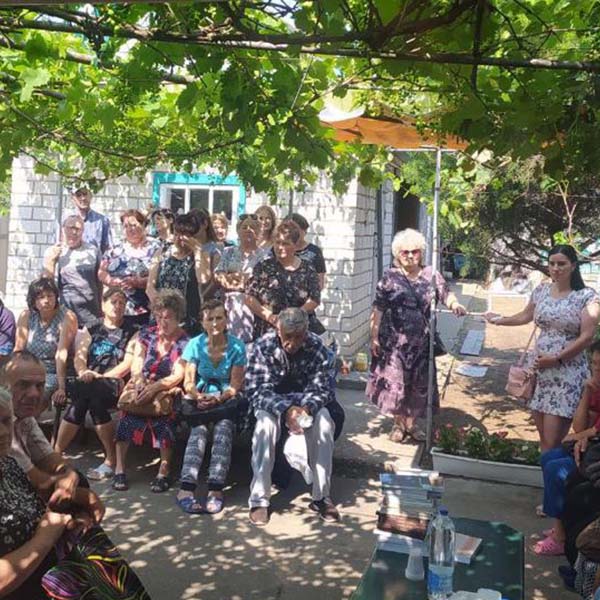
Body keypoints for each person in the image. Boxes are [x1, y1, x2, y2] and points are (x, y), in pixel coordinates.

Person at [0, 387, 149, 600]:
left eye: (6, 421)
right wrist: (46, 536)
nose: (3, 432)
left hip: (54, 572)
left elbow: (37, 494)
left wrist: (80, 500)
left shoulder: (8, 463)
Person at [485, 244, 600, 452]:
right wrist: (499, 320)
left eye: (562, 264)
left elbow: (587, 336)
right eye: (552, 263)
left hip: (566, 373)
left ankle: (555, 480)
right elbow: (525, 315)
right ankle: (548, 480)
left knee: (554, 439)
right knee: (544, 438)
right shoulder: (542, 291)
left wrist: (557, 359)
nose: (556, 268)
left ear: (573, 266)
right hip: (539, 371)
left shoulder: (586, 296)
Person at [366, 228, 466, 443]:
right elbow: (378, 308)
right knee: (396, 384)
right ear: (397, 254)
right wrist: (374, 336)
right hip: (394, 342)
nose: (410, 256)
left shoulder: (431, 276)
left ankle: (412, 424)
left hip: (422, 342)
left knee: (418, 385)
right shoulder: (389, 277)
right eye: (405, 252)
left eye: (415, 251)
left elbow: (446, 295)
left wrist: (455, 304)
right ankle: (398, 424)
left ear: (421, 253)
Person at [246, 308, 340, 526]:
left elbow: (323, 389)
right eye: (288, 336)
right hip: (272, 401)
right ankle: (259, 499)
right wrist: (287, 410)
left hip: (306, 402)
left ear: (306, 332)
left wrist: (305, 409)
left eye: (299, 337)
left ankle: (321, 496)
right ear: (279, 331)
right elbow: (256, 390)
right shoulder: (263, 347)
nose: (293, 343)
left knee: (325, 424)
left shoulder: (316, 346)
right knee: (264, 427)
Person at [54, 288, 138, 481]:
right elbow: (80, 356)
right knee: (89, 399)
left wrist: (101, 377)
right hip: (89, 382)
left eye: (122, 303)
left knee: (86, 396)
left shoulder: (132, 331)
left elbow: (127, 363)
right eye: (114, 302)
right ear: (103, 304)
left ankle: (56, 453)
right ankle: (109, 460)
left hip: (115, 382)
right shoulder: (91, 327)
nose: (118, 306)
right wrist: (84, 372)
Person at [113, 289, 189, 493]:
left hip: (166, 388)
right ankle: (119, 469)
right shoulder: (147, 334)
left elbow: (178, 374)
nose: (163, 322)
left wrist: (155, 387)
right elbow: (137, 361)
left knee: (165, 421)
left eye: (168, 318)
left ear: (178, 318)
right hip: (143, 383)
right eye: (159, 316)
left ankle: (163, 471)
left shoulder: (185, 341)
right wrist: (138, 380)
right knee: (126, 418)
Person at [176, 300, 246, 514]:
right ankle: (186, 489)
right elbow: (188, 381)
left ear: (226, 320)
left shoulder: (237, 346)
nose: (215, 323)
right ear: (203, 322)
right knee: (199, 430)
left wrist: (218, 399)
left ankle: (215, 489)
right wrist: (198, 396)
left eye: (219, 318)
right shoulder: (195, 344)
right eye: (210, 319)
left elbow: (235, 386)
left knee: (224, 428)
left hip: (225, 400)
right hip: (201, 396)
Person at [533, 341, 600, 555]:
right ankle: (559, 528)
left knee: (558, 469)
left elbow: (591, 431)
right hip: (591, 446)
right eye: (594, 364)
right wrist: (586, 391)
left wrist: (581, 436)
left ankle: (561, 537)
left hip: (595, 454)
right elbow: (581, 425)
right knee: (549, 458)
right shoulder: (595, 386)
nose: (597, 369)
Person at [0, 351, 88, 507]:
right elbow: (39, 483)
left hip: (21, 495)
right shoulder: (5, 423)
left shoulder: (25, 417)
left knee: (77, 480)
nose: (35, 394)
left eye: (40, 386)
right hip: (12, 504)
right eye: (24, 385)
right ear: (2, 386)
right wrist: (89, 499)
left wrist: (67, 472)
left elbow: (47, 457)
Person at [245, 220, 322, 340]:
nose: (280, 247)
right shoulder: (262, 267)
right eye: (277, 243)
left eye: (285, 243)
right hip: (267, 329)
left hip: (298, 332)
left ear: (296, 245)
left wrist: (292, 317)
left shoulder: (308, 268)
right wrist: (270, 317)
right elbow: (250, 298)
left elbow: (315, 299)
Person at [14, 278, 78, 406]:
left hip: (52, 372)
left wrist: (61, 388)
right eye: (41, 297)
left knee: (34, 395)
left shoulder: (67, 316)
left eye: (50, 296)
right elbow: (18, 349)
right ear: (33, 300)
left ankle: (28, 422)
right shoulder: (27, 315)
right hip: (28, 368)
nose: (46, 301)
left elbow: (61, 354)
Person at [147, 213, 209, 335]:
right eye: (177, 234)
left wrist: (197, 251)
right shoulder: (162, 252)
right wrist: (162, 310)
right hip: (161, 316)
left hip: (188, 316)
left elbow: (203, 279)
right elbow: (150, 287)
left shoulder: (202, 255)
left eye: (186, 235)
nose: (181, 239)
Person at [98, 209, 161, 329]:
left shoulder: (156, 247)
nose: (129, 229)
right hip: (119, 310)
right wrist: (112, 281)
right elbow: (101, 272)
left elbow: (163, 275)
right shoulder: (116, 249)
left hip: (146, 307)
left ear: (144, 225)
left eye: (133, 225)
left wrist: (139, 282)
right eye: (126, 226)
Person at [43, 214, 102, 328]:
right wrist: (50, 261)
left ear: (83, 231)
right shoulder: (55, 252)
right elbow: (45, 284)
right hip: (65, 313)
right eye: (71, 228)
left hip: (90, 313)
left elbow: (100, 282)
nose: (74, 232)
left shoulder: (93, 251)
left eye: (78, 229)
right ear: (63, 229)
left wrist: (102, 307)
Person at [214, 213, 262, 342]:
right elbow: (219, 274)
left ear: (258, 231)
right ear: (237, 230)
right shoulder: (228, 251)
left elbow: (261, 280)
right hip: (229, 303)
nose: (248, 230)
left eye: (252, 227)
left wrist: (234, 277)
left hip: (254, 304)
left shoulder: (264, 256)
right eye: (244, 227)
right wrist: (234, 281)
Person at [67, 185, 113, 254]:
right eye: (78, 195)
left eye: (85, 194)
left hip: (94, 263)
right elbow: (58, 246)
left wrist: (104, 262)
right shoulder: (65, 220)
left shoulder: (102, 221)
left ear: (90, 195)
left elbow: (108, 249)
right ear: (72, 198)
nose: (83, 198)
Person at [287, 212, 327, 289]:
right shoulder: (280, 250)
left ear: (304, 231)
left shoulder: (314, 252)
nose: (293, 233)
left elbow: (320, 282)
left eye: (296, 229)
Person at [190, 208, 222, 300]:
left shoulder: (215, 248)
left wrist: (202, 297)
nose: (192, 228)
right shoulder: (187, 245)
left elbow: (215, 279)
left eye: (195, 224)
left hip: (207, 298)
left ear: (205, 224)